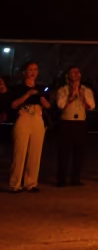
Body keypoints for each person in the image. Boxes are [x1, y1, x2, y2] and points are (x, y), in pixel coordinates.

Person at [9, 62, 50, 193]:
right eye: (30, 69)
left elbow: (48, 106)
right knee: (19, 152)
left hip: (38, 117)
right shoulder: (17, 88)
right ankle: (15, 184)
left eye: (35, 69)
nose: (33, 72)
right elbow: (14, 105)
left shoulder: (41, 88)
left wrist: (42, 99)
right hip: (23, 116)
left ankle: (31, 183)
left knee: (35, 152)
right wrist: (28, 94)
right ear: (24, 72)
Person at [55, 66, 95, 186]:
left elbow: (91, 106)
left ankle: (75, 178)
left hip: (80, 123)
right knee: (64, 152)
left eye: (78, 72)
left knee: (79, 153)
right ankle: (61, 179)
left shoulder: (86, 90)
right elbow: (61, 105)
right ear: (67, 76)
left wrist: (82, 96)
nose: (76, 74)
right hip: (67, 122)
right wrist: (72, 94)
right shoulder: (62, 90)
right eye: (73, 72)